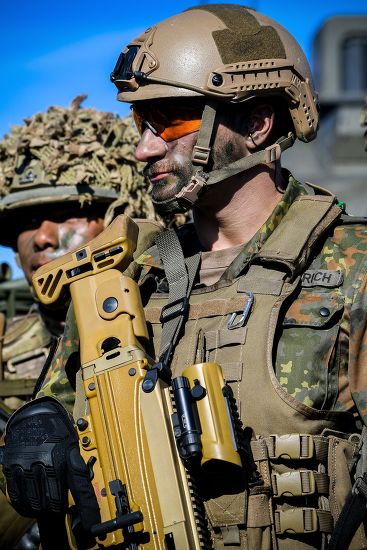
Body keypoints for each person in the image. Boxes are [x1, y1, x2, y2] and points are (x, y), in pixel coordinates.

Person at [2, 5, 367, 549]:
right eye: (139, 124)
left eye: (170, 120)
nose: (144, 147)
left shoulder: (351, 267)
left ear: (257, 122)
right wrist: (41, 426)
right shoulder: (121, 279)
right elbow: (55, 405)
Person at [0, 95, 159, 549]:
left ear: (121, 216)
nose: (43, 237)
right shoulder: (5, 355)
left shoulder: (170, 324)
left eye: (70, 209)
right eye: (27, 220)